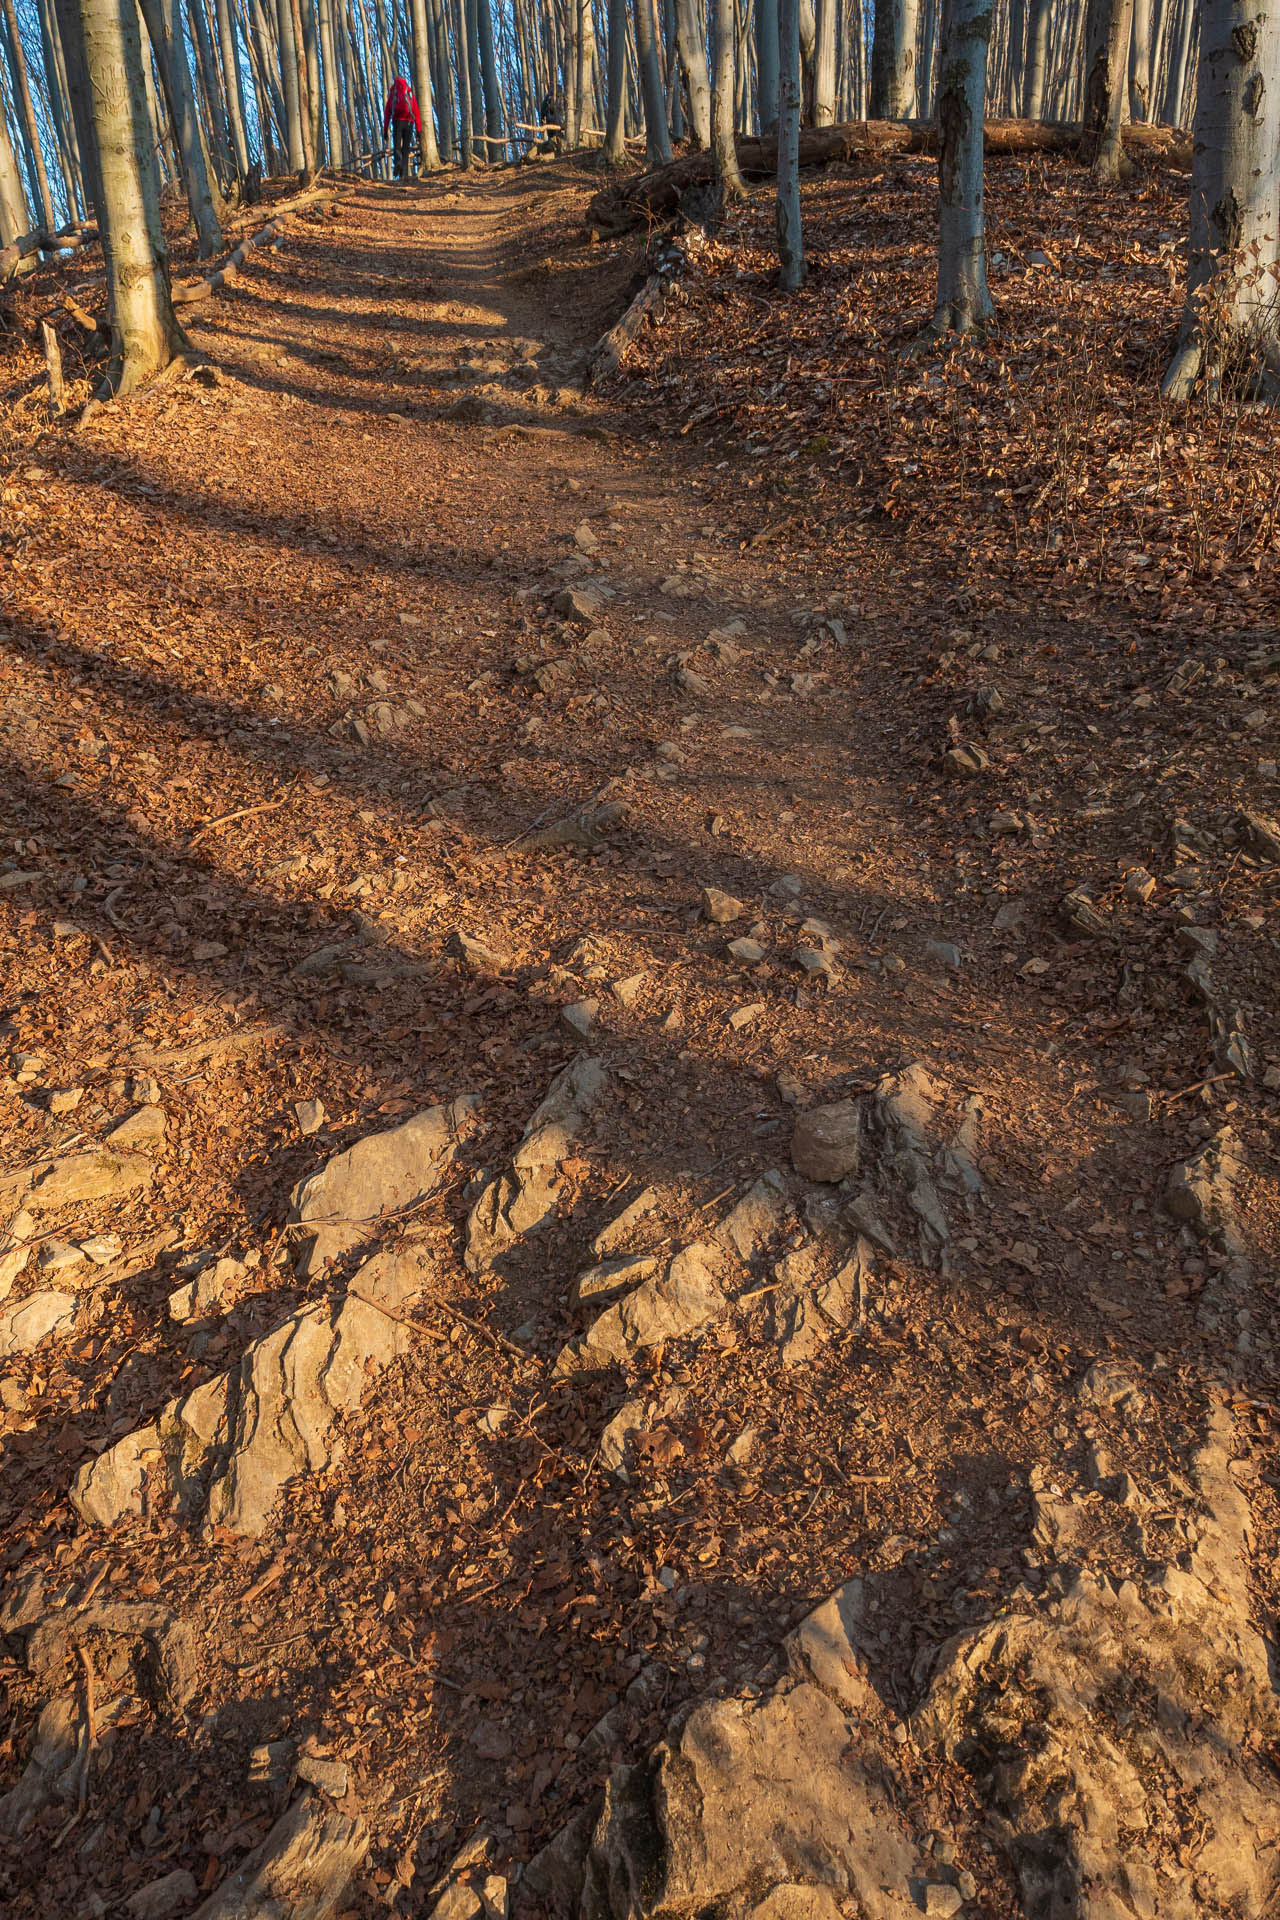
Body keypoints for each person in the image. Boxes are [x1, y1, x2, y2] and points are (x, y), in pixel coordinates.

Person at [383, 75, 422, 180]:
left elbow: (387, 112)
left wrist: (385, 130)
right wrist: (418, 129)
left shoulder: (393, 93)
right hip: (409, 122)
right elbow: (416, 111)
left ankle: (398, 162)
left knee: (397, 146)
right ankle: (403, 174)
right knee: (406, 148)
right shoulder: (408, 92)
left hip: (397, 121)